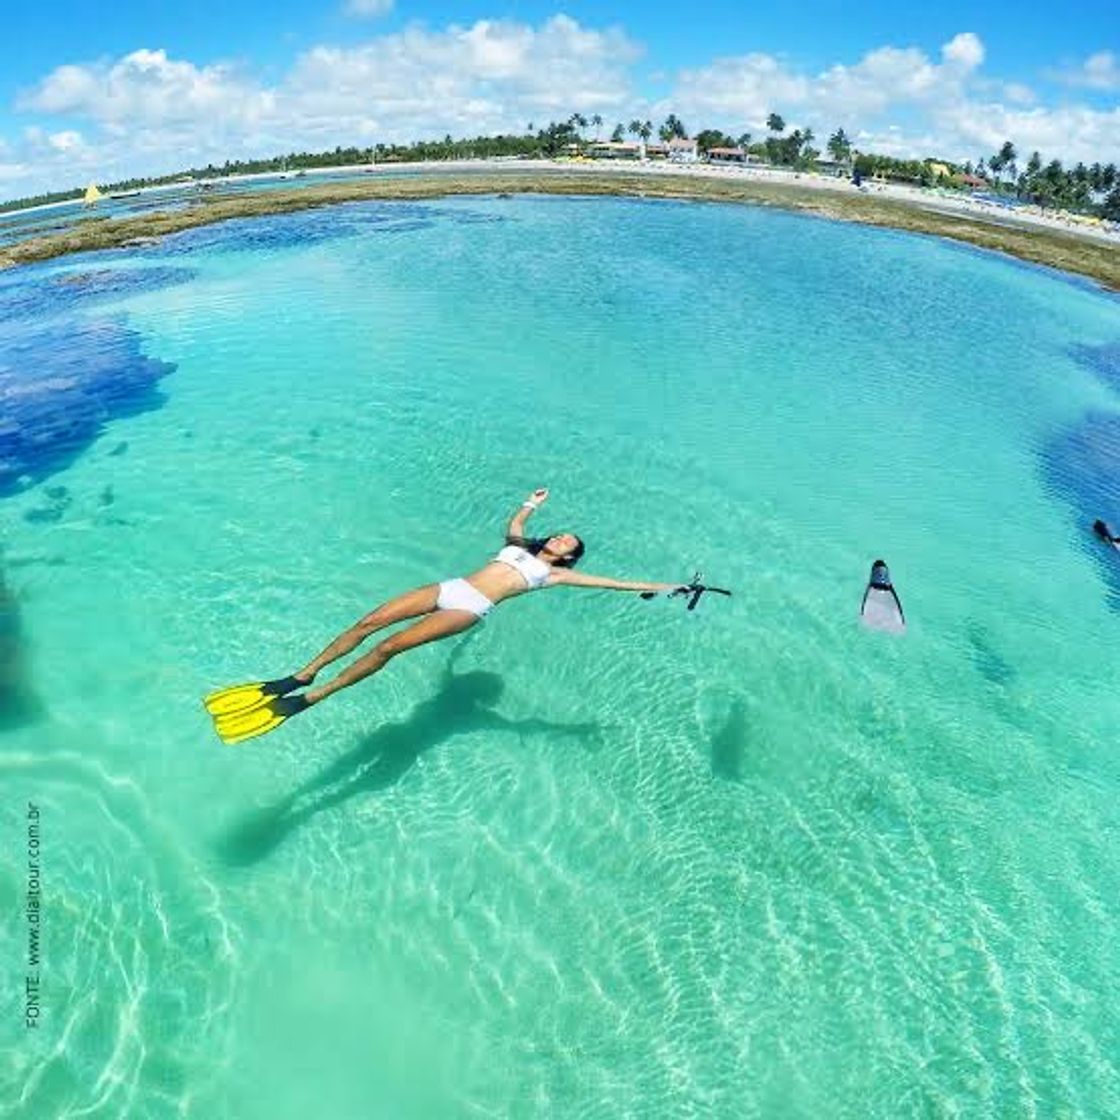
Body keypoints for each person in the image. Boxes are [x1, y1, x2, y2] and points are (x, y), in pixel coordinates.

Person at [205, 489, 688, 743]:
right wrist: (531, 504)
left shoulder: (554, 576)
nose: (561, 539)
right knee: (370, 621)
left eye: (569, 544)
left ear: (568, 558)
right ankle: (300, 673)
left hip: (471, 608)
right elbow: (515, 525)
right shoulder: (518, 546)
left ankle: (315, 696)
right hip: (449, 586)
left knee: (388, 647)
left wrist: (665, 586)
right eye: (560, 534)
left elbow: (613, 583)